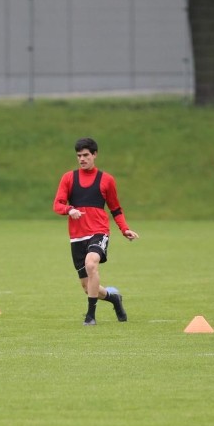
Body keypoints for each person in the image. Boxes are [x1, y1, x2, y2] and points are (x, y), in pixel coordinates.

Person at [54, 137, 139, 326]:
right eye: (79, 156)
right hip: (77, 237)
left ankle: (90, 316)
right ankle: (114, 298)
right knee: (87, 287)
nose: (82, 159)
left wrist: (124, 229)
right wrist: (70, 209)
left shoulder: (106, 180)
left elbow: (116, 209)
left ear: (94, 155)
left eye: (85, 155)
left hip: (99, 231)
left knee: (91, 264)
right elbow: (57, 205)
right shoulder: (68, 178)